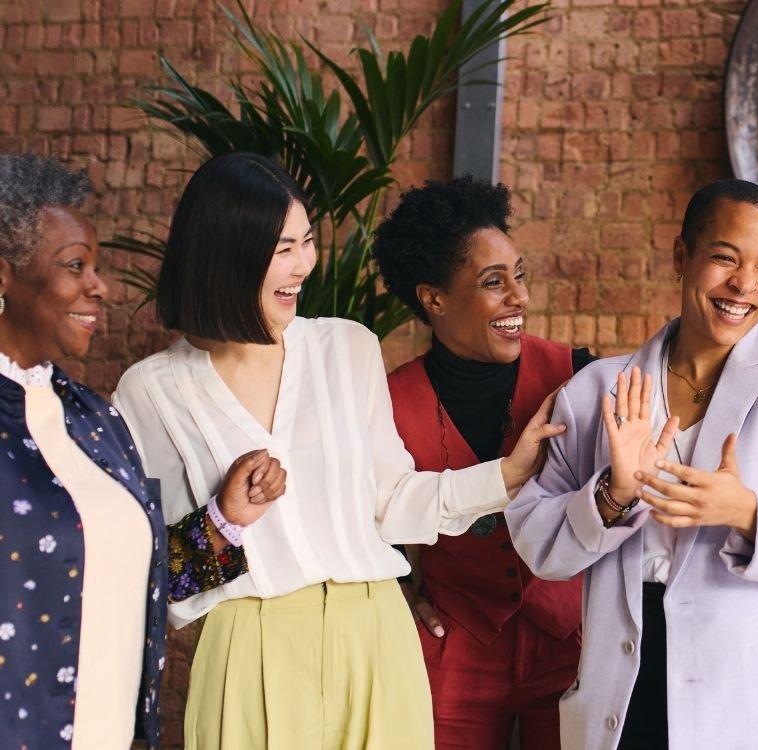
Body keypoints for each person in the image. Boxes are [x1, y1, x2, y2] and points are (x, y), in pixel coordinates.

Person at [112, 152, 564, 749]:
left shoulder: (346, 349)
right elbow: (153, 575)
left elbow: (393, 500)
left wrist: (506, 474)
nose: (304, 264)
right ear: (226, 253)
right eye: (282, 249)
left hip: (374, 635)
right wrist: (224, 520)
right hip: (250, 648)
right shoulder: (151, 391)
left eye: (305, 242)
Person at [506, 179, 758, 750]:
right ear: (681, 257)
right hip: (627, 686)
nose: (745, 285)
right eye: (724, 258)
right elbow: (539, 545)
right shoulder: (597, 391)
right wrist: (613, 495)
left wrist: (749, 513)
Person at [373, 176, 591, 750]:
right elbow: (363, 522)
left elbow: (684, 375)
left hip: (569, 640)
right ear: (434, 298)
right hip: (456, 644)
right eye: (494, 282)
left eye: (519, 275)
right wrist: (400, 593)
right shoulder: (388, 402)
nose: (518, 297)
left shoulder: (575, 373)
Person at [0, 154, 172, 749]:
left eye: (96, 267)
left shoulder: (98, 421)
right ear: (4, 276)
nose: (99, 287)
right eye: (76, 266)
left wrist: (228, 525)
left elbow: (144, 581)